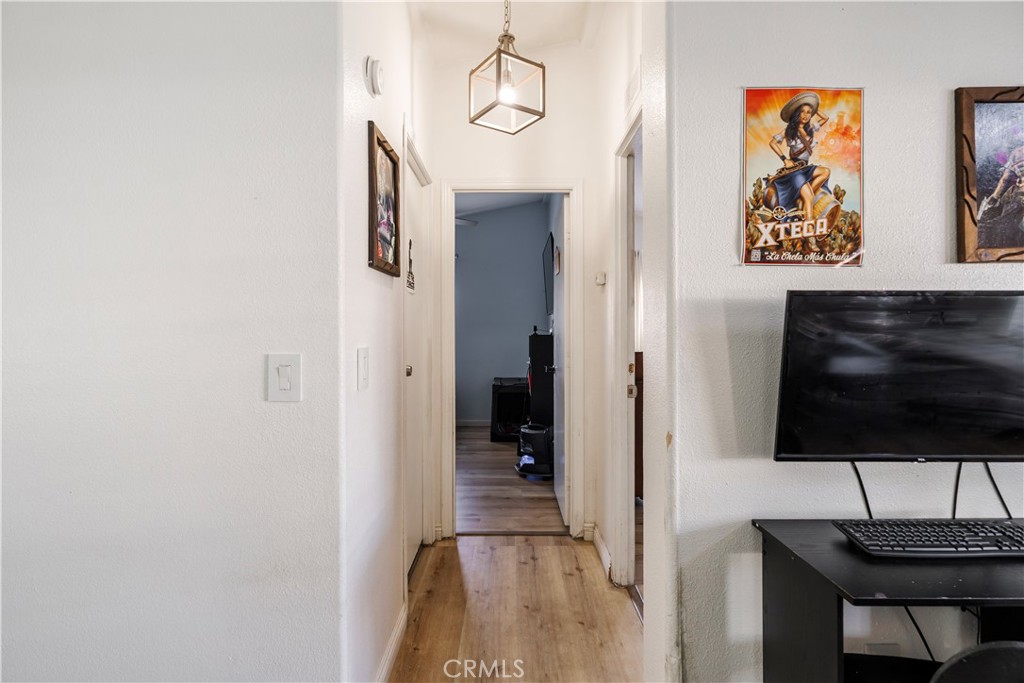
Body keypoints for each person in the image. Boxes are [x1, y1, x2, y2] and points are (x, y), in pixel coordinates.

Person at [767, 91, 832, 221]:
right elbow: (772, 143)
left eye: (809, 112)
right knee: (809, 198)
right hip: (794, 169)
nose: (806, 115)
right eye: (802, 111)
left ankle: (801, 199)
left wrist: (815, 109)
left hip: (805, 167)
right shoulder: (788, 130)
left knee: (826, 172)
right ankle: (808, 230)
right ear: (797, 113)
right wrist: (785, 159)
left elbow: (825, 118)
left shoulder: (811, 129)